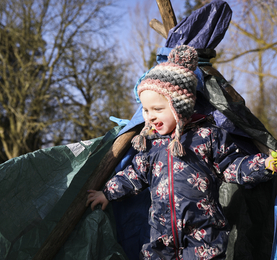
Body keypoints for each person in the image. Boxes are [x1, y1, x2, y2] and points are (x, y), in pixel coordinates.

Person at [86, 45, 277, 260]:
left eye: (158, 109)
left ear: (181, 106)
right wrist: (107, 193)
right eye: (146, 110)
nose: (150, 117)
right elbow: (133, 175)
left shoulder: (208, 136)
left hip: (203, 235)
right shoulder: (150, 144)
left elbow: (232, 166)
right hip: (161, 235)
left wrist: (264, 165)